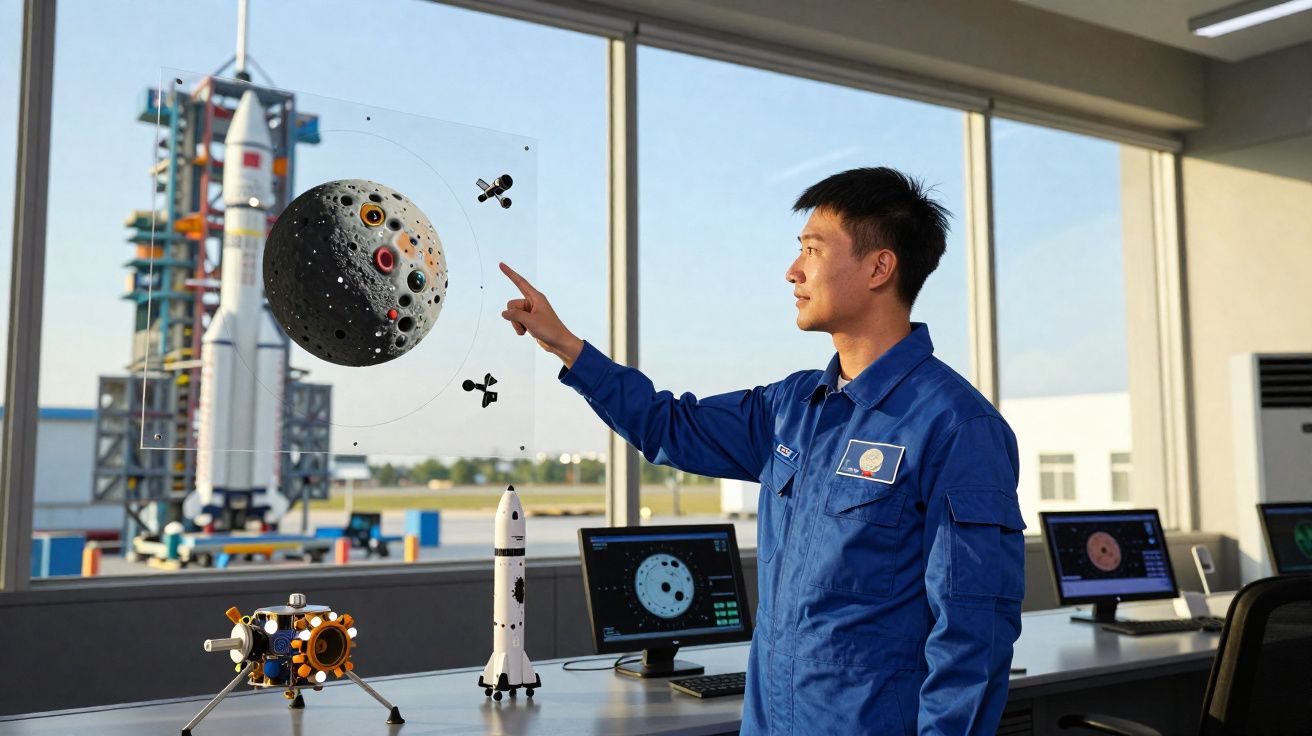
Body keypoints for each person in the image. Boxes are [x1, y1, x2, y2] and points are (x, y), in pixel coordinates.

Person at [499, 167, 1025, 735]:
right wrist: (569, 349)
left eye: (812, 250)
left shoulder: (956, 427)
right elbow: (668, 424)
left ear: (879, 267)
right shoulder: (792, 407)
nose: (792, 270)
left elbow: (973, 636)